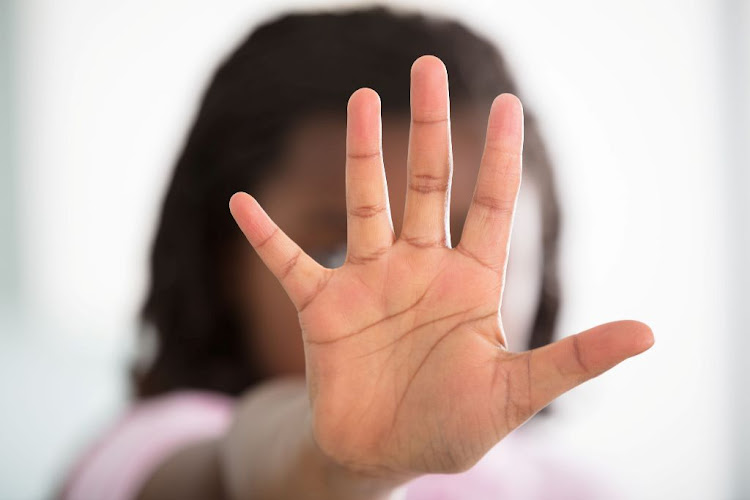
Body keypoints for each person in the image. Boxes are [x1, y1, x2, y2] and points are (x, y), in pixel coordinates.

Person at [60, 6, 654, 500]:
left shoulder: (571, 486)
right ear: (223, 265)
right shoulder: (156, 447)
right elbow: (235, 465)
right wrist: (342, 464)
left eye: (468, 243)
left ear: (542, 264)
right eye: (337, 246)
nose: (412, 295)